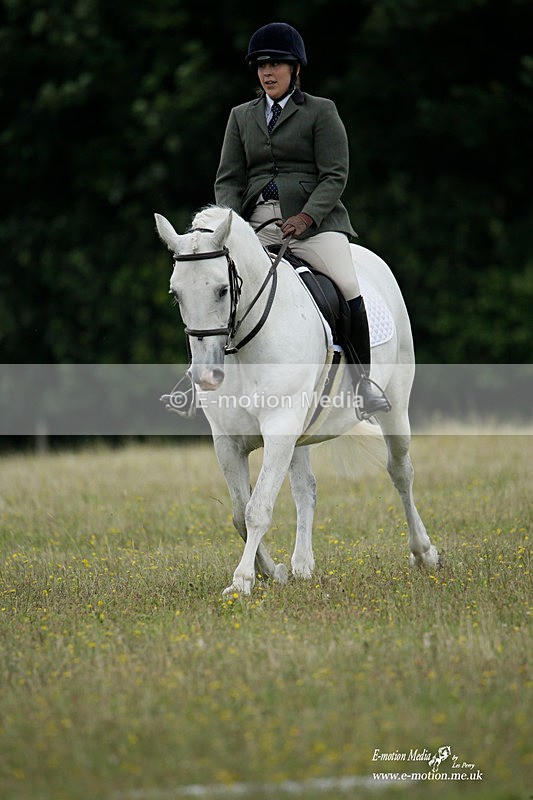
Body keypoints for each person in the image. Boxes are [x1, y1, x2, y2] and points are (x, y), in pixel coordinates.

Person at [214, 22, 390, 417]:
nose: (267, 72)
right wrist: (232, 224)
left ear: (296, 69)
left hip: (315, 223)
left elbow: (335, 175)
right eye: (261, 65)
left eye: (276, 63)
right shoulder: (240, 117)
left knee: (347, 287)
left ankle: (363, 384)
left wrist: (307, 216)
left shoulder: (320, 112)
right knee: (214, 286)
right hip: (255, 224)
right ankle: (204, 375)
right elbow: (228, 179)